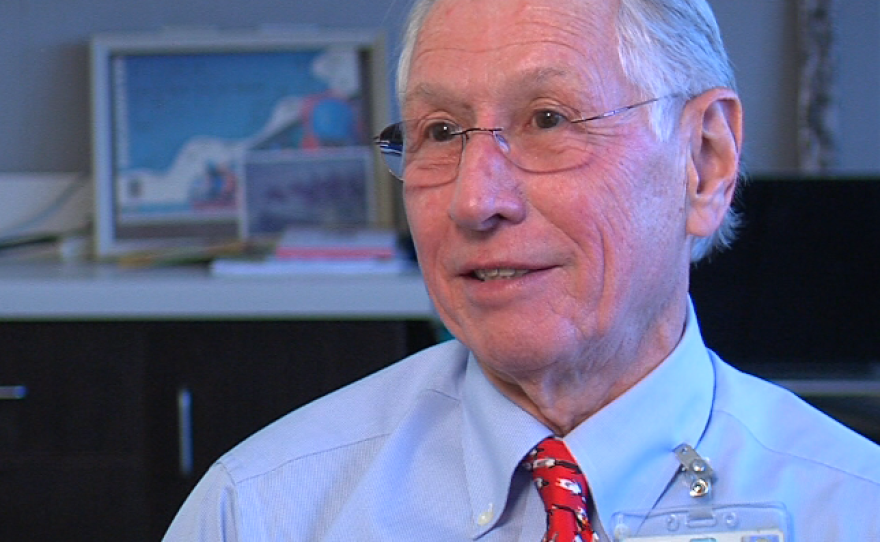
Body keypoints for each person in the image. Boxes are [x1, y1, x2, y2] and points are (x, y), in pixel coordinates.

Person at [164, 0, 880, 540]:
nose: (474, 201)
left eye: (548, 120)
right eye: (440, 133)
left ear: (704, 163)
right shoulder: (261, 512)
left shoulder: (852, 508)